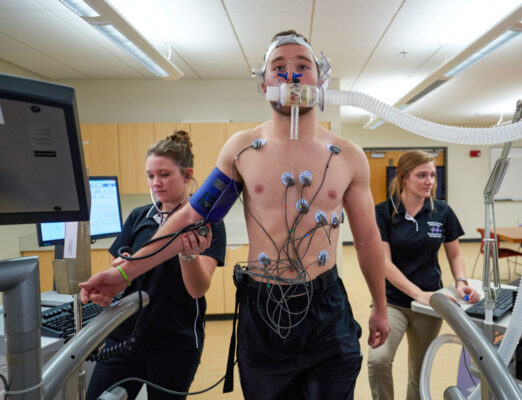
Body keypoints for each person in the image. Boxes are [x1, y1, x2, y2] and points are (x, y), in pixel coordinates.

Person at [80, 30, 390, 400]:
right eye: (279, 67)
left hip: (326, 309)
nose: (291, 75)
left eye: (302, 66)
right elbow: (194, 216)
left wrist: (380, 306)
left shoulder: (348, 156)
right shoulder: (243, 150)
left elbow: (369, 240)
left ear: (320, 79)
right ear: (263, 83)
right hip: (263, 308)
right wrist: (123, 273)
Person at [85, 130, 226, 400]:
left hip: (175, 342)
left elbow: (198, 289)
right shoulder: (139, 217)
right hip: (125, 338)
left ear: (187, 175)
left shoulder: (208, 225)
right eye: (150, 175)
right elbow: (122, 272)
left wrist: (188, 255)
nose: (155, 183)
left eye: (164, 174)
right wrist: (113, 280)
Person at [367, 150, 480, 400]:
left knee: (418, 373)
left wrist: (461, 281)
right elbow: (384, 264)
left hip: (429, 306)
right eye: (421, 175)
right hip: (392, 301)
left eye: (432, 175)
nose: (429, 181)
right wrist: (419, 294)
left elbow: (455, 255)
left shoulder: (442, 211)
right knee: (378, 360)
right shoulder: (383, 213)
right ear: (404, 177)